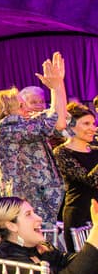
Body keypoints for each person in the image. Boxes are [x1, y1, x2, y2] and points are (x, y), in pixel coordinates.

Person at [0, 51, 68, 225]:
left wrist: (58, 85)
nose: (27, 108)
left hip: (33, 204)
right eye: (21, 105)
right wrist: (56, 87)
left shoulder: (22, 125)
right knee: (25, 250)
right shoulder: (7, 127)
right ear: (5, 111)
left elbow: (60, 122)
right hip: (22, 209)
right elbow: (54, 120)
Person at [53, 102, 98, 240]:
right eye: (86, 124)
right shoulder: (62, 152)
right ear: (70, 126)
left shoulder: (96, 151)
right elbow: (89, 181)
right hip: (80, 217)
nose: (93, 128)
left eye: (93, 123)